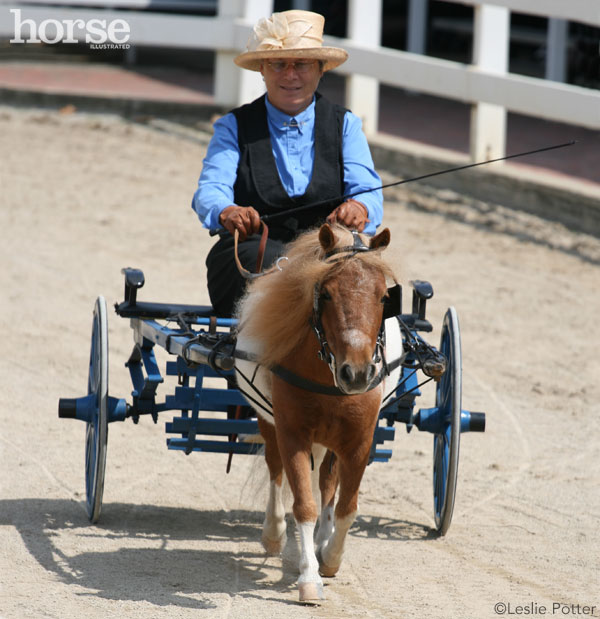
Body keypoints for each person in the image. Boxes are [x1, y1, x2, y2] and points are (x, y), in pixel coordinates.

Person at [192, 9, 383, 317]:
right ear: (263, 70)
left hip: (328, 248)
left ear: (321, 69)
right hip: (255, 249)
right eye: (278, 64)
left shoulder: (345, 125)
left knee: (359, 271)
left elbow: (368, 191)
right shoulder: (233, 127)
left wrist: (359, 208)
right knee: (259, 257)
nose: (290, 75)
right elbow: (210, 191)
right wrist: (228, 211)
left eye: (302, 64)